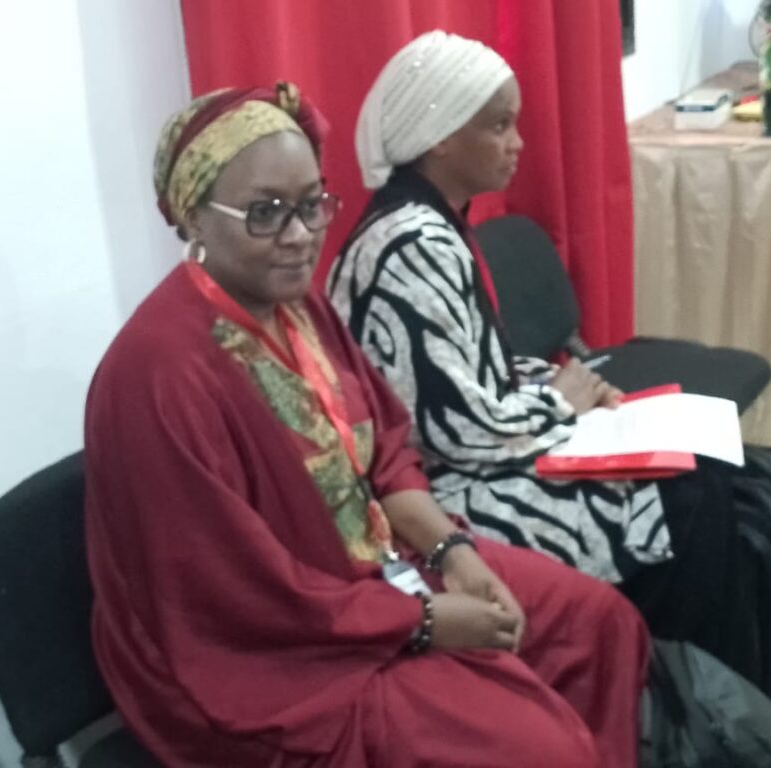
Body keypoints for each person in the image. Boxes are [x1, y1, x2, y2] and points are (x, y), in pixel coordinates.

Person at [84, 83, 649, 767]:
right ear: (194, 218)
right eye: (265, 213)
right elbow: (232, 599)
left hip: (374, 572)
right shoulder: (158, 378)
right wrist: (426, 621)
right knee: (542, 750)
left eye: (311, 205)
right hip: (272, 653)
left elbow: (385, 454)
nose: (301, 236)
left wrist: (454, 555)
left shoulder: (298, 307)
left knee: (599, 628)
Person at [328, 30, 771, 725]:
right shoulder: (409, 246)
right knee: (688, 498)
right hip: (443, 498)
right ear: (440, 138)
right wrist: (561, 401)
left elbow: (473, 367)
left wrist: (565, 387)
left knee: (712, 476)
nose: (517, 143)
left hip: (478, 457)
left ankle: (724, 695)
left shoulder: (429, 223)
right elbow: (456, 430)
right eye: (498, 125)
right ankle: (681, 705)